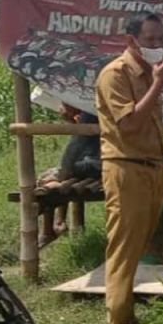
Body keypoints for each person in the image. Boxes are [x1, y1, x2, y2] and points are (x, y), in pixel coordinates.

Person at [95, 13, 163, 324]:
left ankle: (125, 311)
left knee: (139, 242)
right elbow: (128, 124)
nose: (157, 45)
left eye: (161, 39)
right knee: (125, 248)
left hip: (153, 166)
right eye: (150, 39)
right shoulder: (115, 74)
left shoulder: (149, 72)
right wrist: (158, 84)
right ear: (131, 40)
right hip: (126, 168)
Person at [36, 104, 101, 248]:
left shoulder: (90, 114)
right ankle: (56, 224)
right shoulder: (90, 111)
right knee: (58, 177)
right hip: (104, 163)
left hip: (98, 165)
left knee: (56, 178)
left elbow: (73, 151)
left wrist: (61, 173)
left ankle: (52, 228)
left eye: (65, 103)